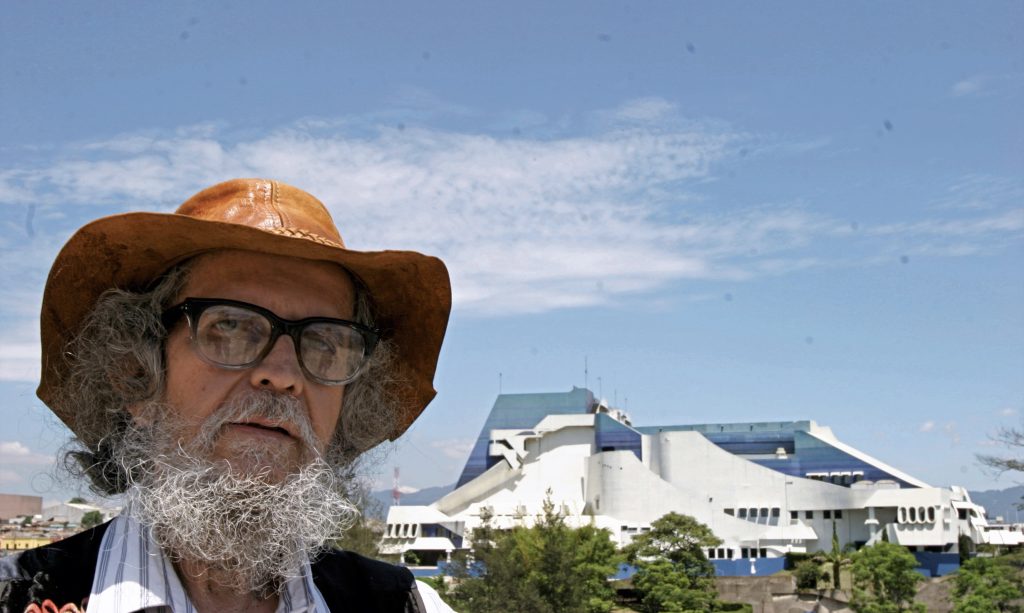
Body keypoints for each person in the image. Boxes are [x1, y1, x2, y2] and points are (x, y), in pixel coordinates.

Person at [0, 179, 455, 613]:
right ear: (137, 375)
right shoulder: (19, 596)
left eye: (325, 342)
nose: (282, 375)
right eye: (230, 327)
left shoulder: (408, 604)